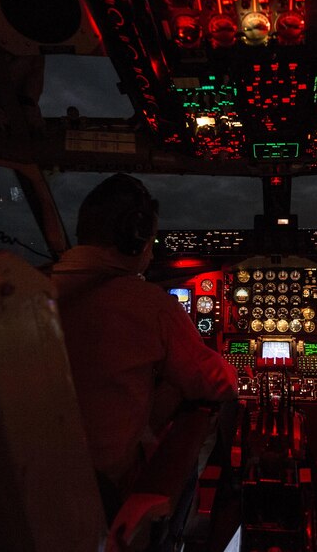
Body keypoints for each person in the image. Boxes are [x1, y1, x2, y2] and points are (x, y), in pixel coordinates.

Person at [51, 174, 237, 522]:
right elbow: (217, 381)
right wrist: (234, 367)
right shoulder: (148, 303)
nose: (152, 253)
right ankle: (190, 522)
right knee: (206, 407)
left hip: (43, 478)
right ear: (134, 240)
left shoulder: (34, 288)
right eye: (150, 241)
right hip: (110, 491)